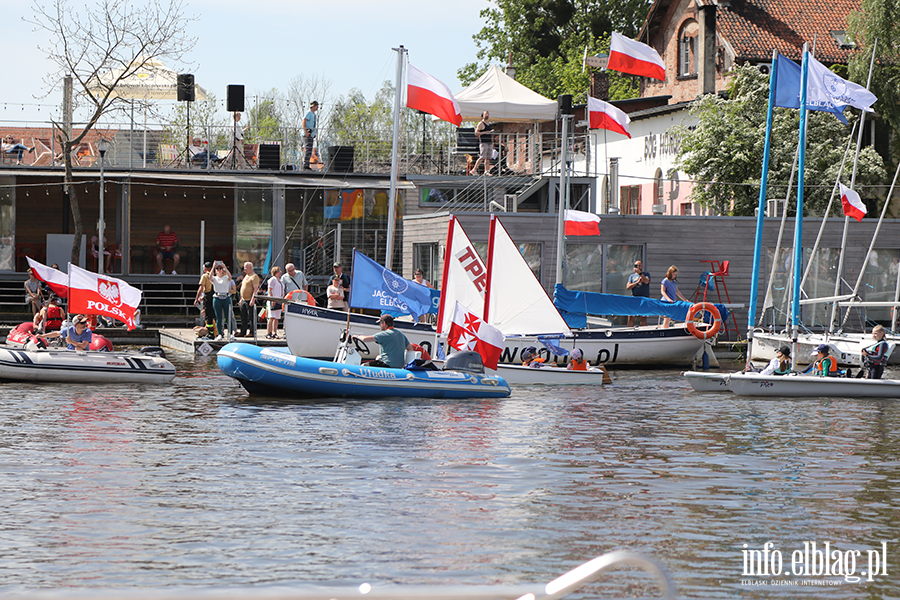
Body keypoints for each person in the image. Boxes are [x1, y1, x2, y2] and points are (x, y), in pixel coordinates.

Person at [210, 262, 236, 340]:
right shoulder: (214, 278)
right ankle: (220, 334)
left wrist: (224, 266)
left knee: (228, 316)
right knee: (219, 317)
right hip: (217, 297)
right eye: (217, 269)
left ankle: (231, 333)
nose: (219, 270)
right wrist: (213, 267)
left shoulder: (225, 277)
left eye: (220, 268)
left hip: (226, 297)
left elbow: (230, 276)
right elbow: (209, 277)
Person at [237, 261, 261, 337]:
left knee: (251, 317)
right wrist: (241, 299)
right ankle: (243, 331)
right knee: (243, 317)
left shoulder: (254, 276)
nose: (245, 270)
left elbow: (255, 289)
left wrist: (253, 299)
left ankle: (252, 332)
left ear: (250, 268)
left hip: (250, 299)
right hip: (244, 299)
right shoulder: (246, 276)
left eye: (246, 268)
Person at [626, 260, 650, 327]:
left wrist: (641, 274)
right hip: (634, 298)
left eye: (639, 265)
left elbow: (646, 281)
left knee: (643, 317)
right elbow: (628, 286)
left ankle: (642, 331)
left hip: (644, 298)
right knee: (631, 317)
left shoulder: (646, 274)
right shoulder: (632, 276)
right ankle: (629, 331)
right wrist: (637, 282)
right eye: (636, 265)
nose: (638, 267)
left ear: (642, 266)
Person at [195, 261, 215, 339]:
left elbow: (201, 288)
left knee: (208, 315)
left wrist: (197, 298)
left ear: (205, 268)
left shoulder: (205, 276)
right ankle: (220, 332)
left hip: (208, 296)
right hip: (216, 296)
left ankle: (211, 333)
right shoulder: (216, 275)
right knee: (216, 315)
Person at [265, 265, 284, 339]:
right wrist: (272, 299)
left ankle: (274, 332)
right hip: (273, 300)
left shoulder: (280, 281)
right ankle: (268, 332)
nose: (280, 272)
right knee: (271, 317)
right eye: (279, 271)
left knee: (277, 317)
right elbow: (270, 289)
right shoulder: (272, 279)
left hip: (279, 299)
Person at [472, 111, 493, 176]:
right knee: (482, 157)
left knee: (488, 158)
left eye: (488, 114)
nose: (487, 115)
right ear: (482, 115)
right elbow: (476, 133)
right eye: (486, 114)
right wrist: (485, 132)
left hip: (489, 142)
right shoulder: (481, 124)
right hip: (484, 142)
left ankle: (486, 171)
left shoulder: (489, 124)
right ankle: (474, 169)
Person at [302, 101, 319, 170]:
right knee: (308, 149)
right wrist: (306, 131)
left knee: (310, 149)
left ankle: (307, 164)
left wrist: (314, 133)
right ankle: (305, 165)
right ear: (313, 106)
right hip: (307, 134)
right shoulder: (309, 113)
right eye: (316, 106)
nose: (317, 107)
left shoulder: (314, 115)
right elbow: (304, 121)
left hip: (311, 134)